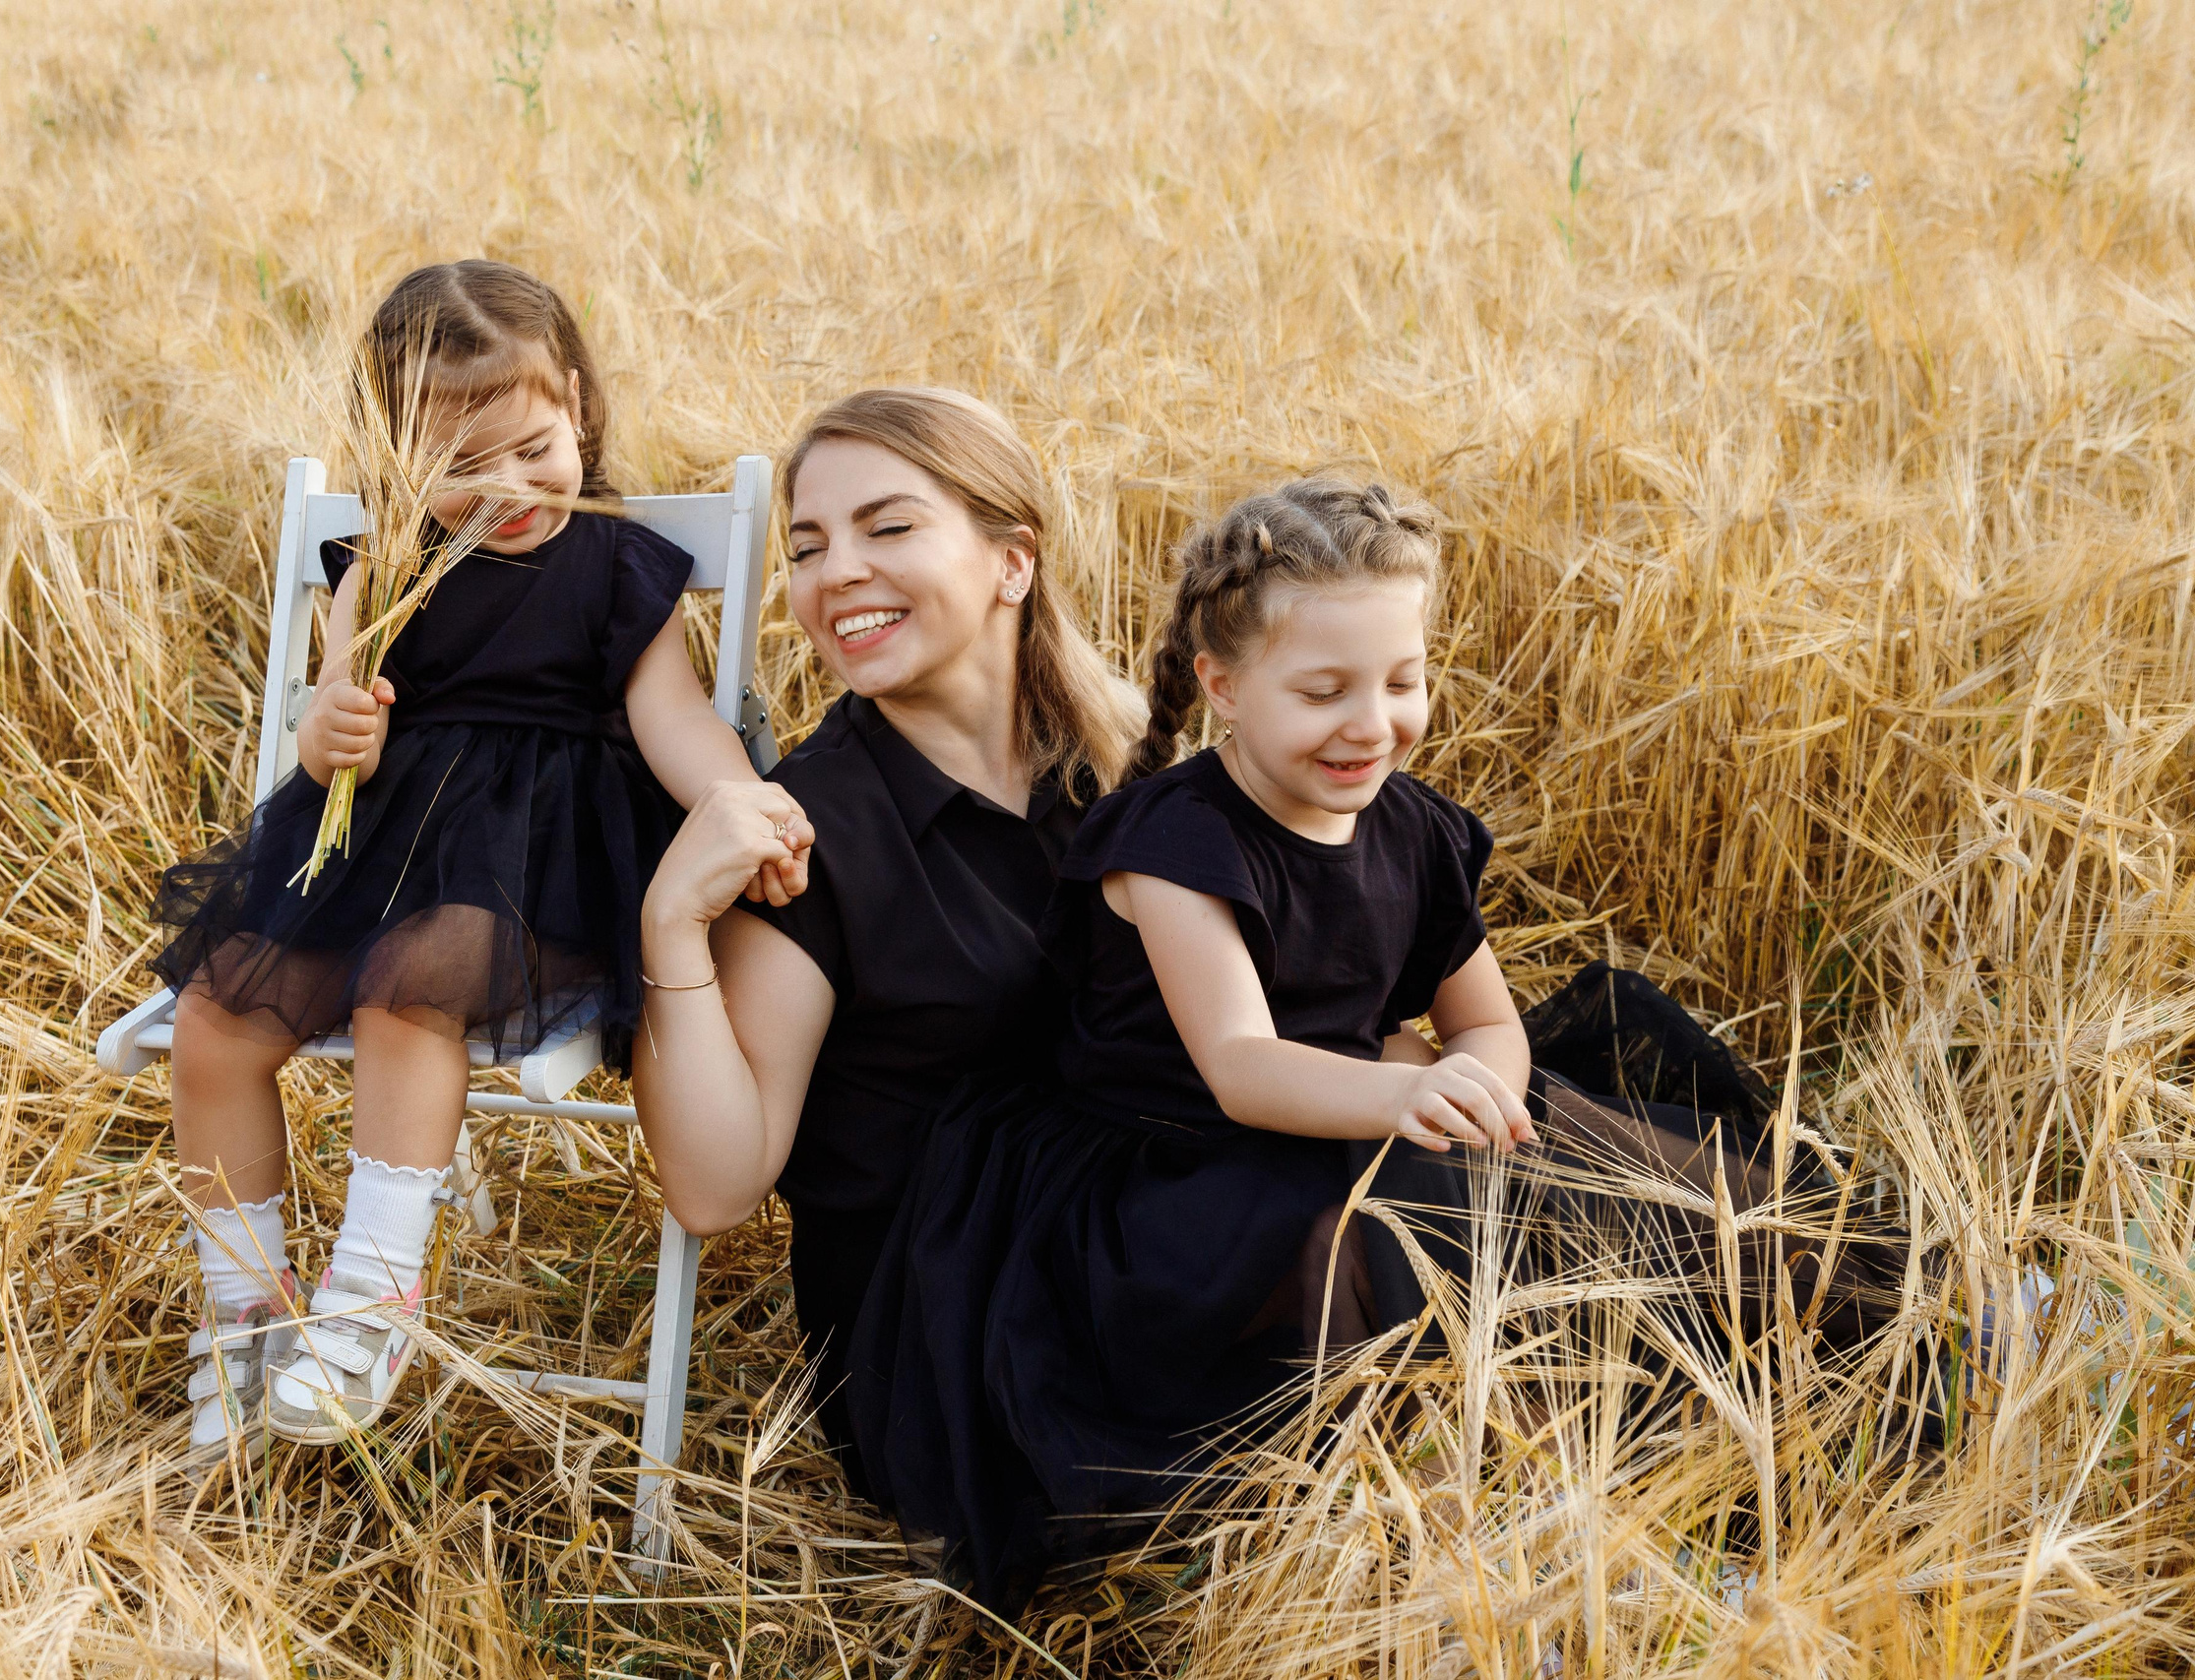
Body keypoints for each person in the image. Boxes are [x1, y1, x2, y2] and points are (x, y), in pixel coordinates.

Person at [842, 479, 1909, 1613]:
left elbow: (1486, 1020)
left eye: (1402, 682)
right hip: (1165, 1178)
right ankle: (1498, 1559)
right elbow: (1242, 1067)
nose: (1371, 722)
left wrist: (1481, 1091)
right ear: (1223, 687)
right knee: (1400, 1234)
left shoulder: (1412, 825)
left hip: (1354, 1108)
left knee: (1625, 1177)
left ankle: (1890, 1335)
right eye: (1323, 691)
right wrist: (1410, 1102)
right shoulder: (1173, 845)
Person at [149, 260, 803, 1456]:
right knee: (213, 1018)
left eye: (535, 448)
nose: (508, 487)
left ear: (581, 417)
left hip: (536, 868)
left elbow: (672, 719)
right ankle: (243, 1308)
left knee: (414, 983)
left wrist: (742, 800)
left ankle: (376, 1297)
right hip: (367, 854)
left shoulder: (614, 563)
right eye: (461, 466)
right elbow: (330, 703)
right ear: (393, 456)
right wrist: (327, 724)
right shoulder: (377, 565)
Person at [630, 387, 1143, 1465]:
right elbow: (714, 1188)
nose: (836, 573)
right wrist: (673, 924)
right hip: (952, 1334)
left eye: (889, 526)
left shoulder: (1124, 766)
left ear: (1013, 561)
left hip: (1142, 1224)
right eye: (808, 547)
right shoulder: (814, 834)